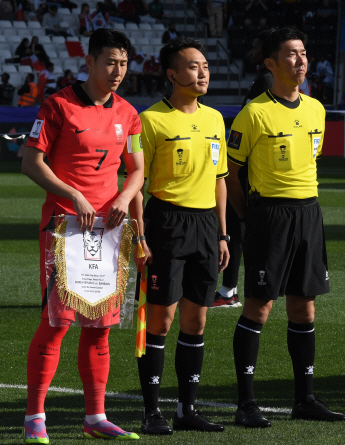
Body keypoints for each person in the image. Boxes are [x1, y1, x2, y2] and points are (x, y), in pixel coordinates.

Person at [20, 28, 142, 443]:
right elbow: (31, 162)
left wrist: (125, 197)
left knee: (100, 327)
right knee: (57, 323)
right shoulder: (57, 106)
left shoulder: (128, 113)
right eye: (109, 61)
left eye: (123, 63)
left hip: (110, 232)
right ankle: (35, 416)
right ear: (89, 62)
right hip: (64, 228)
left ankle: (96, 417)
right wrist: (73, 194)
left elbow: (138, 168)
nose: (117, 71)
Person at [226, 27, 345, 428]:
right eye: (292, 54)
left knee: (304, 306)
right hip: (270, 217)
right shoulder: (253, 113)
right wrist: (246, 218)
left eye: (304, 53)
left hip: (309, 214)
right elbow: (231, 173)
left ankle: (305, 399)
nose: (301, 61)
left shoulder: (316, 109)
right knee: (260, 307)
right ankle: (246, 403)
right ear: (271, 64)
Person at [132, 36, 229, 435]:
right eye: (193, 66)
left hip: (206, 225)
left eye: (205, 66)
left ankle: (186, 410)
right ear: (172, 74)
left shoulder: (215, 119)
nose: (203, 72)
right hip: (166, 222)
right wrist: (139, 235)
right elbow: (136, 183)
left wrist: (223, 234)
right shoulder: (148, 120)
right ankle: (152, 411)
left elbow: (221, 179)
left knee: (196, 320)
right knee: (161, 318)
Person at [212, 30, 274, 308]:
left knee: (238, 227)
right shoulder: (266, 79)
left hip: (248, 167)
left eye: (255, 46)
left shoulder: (266, 80)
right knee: (239, 227)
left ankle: (229, 291)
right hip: (250, 165)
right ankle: (231, 289)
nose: (251, 51)